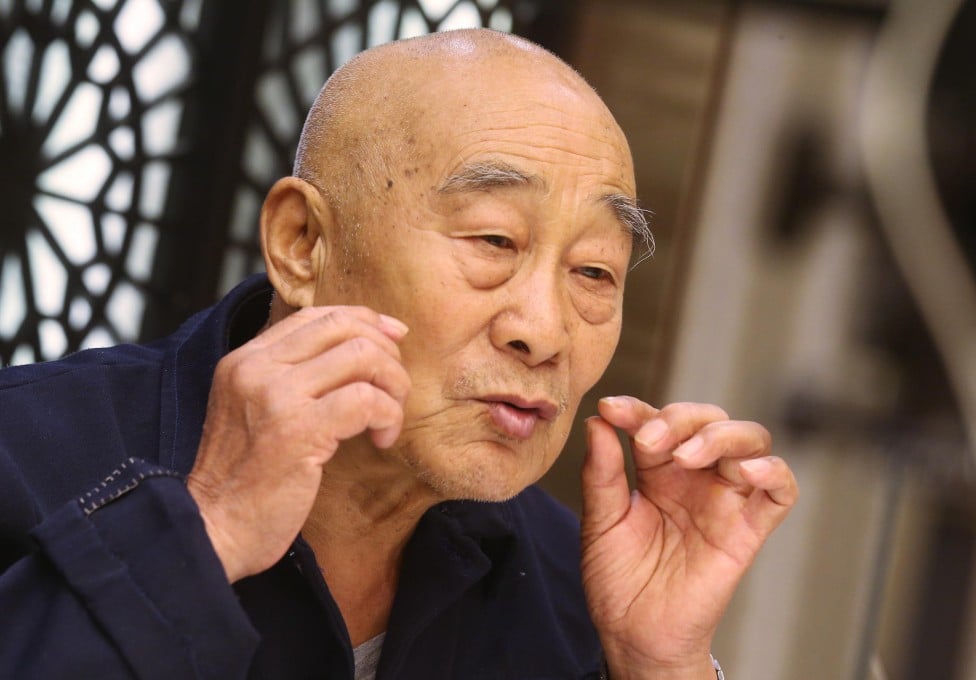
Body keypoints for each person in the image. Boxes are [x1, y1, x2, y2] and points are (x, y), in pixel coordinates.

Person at [0, 28, 797, 679]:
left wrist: (661, 664)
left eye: (594, 271)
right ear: (302, 244)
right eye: (494, 240)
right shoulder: (28, 453)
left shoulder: (572, 589)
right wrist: (206, 532)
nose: (544, 332)